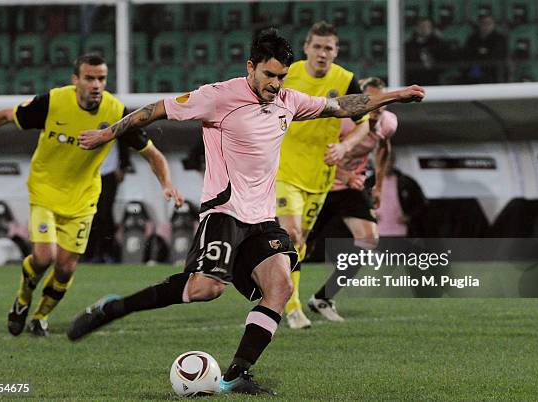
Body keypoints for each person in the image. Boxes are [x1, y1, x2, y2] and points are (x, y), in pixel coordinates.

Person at [66, 29, 424, 395]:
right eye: (268, 75)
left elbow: (342, 106)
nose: (275, 84)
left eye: (281, 76)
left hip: (262, 220)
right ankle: (114, 308)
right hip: (224, 212)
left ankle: (236, 374)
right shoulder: (217, 97)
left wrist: (397, 95)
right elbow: (154, 110)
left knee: (280, 287)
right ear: (250, 67)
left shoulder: (288, 100)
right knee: (207, 288)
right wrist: (108, 133)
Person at [0, 53, 183, 337]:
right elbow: (6, 115)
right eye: (90, 78)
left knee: (65, 268)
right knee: (44, 257)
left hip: (82, 199)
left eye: (101, 78)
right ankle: (21, 300)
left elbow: (153, 154)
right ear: (75, 80)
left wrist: (166, 183)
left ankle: (40, 317)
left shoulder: (116, 112)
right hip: (45, 190)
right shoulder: (53, 102)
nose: (96, 84)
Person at [276, 21, 372, 329]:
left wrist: (346, 149)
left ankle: (284, 295)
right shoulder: (287, 74)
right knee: (291, 235)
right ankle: (292, 308)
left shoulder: (344, 80)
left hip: (319, 177)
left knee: (300, 242)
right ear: (306, 48)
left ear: (336, 51)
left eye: (328, 48)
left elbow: (364, 123)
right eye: (317, 46)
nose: (322, 53)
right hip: (283, 171)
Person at [308, 77, 397, 321]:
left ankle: (323, 298)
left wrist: (378, 186)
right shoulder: (342, 119)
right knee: (297, 244)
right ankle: (274, 300)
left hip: (351, 188)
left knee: (368, 240)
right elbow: (314, 155)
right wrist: (345, 175)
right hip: (317, 183)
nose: (377, 111)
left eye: (382, 105)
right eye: (371, 104)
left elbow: (383, 148)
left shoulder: (387, 123)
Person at [84, 138, 130, 263]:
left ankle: (107, 252)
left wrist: (123, 166)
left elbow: (124, 142)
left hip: (109, 173)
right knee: (92, 213)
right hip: (90, 173)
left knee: (105, 212)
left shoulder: (114, 120)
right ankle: (92, 253)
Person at [462, 15, 507, 84]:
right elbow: (468, 54)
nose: (486, 26)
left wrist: (481, 53)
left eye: (489, 23)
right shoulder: (472, 38)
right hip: (476, 67)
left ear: (494, 25)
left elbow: (496, 55)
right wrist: (482, 53)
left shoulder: (499, 38)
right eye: (483, 23)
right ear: (479, 25)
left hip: (493, 68)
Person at [405, 17, 451, 85]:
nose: (424, 29)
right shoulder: (409, 46)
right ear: (416, 28)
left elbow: (446, 61)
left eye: (427, 26)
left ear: (432, 28)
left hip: (434, 81)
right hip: (414, 81)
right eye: (421, 26)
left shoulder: (439, 44)